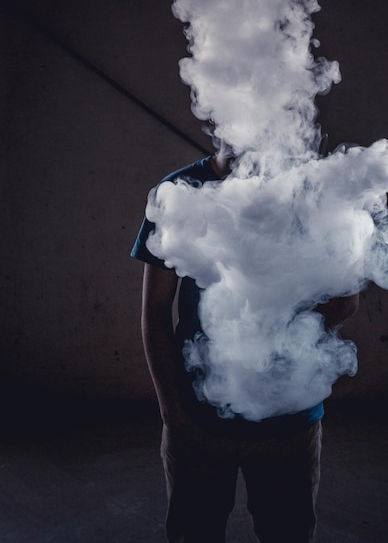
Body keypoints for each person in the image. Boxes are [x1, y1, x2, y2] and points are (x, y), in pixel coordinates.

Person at [131, 141, 359, 543]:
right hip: (196, 418)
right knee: (194, 533)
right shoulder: (179, 190)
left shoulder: (306, 193)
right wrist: (172, 411)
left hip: (289, 420)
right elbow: (155, 311)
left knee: (287, 533)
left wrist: (282, 343)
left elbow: (346, 300)